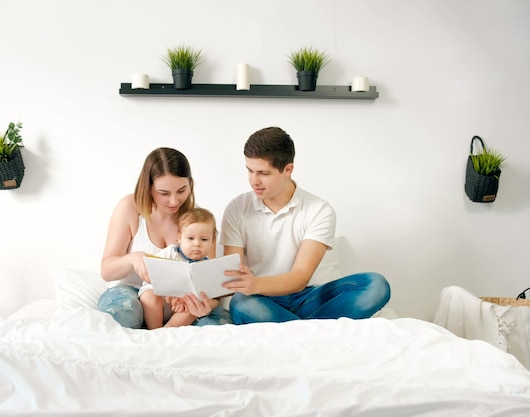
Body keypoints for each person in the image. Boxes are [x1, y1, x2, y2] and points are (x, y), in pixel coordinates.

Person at [221, 127, 391, 324]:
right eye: (249, 171)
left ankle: (293, 329)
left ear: (288, 170)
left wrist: (256, 283)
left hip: (307, 297)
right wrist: (246, 281)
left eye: (263, 173)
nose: (254, 181)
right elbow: (233, 273)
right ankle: (313, 330)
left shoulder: (319, 210)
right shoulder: (237, 208)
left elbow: (300, 277)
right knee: (241, 303)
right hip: (261, 298)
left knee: (375, 285)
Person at [97, 147, 231, 328]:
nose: (174, 201)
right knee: (123, 313)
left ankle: (163, 333)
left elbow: (210, 283)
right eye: (164, 193)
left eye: (182, 190)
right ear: (148, 187)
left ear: (190, 184)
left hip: (179, 300)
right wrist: (133, 259)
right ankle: (154, 331)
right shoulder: (130, 207)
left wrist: (204, 306)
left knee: (219, 323)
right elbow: (107, 271)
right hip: (131, 291)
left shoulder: (196, 220)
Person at [139, 207, 230, 329]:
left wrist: (187, 301)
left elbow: (211, 295)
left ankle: (168, 329)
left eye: (204, 239)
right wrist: (168, 294)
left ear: (212, 241)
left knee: (195, 305)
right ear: (179, 238)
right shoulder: (170, 253)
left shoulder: (208, 266)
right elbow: (152, 273)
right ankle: (155, 330)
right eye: (190, 238)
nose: (197, 244)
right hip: (161, 298)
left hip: (184, 305)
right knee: (149, 296)